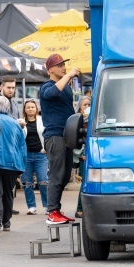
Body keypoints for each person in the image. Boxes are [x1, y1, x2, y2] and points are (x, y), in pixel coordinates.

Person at [40, 53, 81, 225]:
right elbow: (52, 93)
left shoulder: (66, 87)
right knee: (56, 175)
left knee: (64, 176)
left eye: (64, 65)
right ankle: (51, 212)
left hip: (66, 136)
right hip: (54, 135)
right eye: (59, 65)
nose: (63, 67)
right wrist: (69, 75)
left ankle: (56, 209)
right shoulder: (46, 86)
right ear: (50, 70)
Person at [0, 96, 27, 233]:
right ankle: (6, 222)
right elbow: (22, 146)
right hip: (12, 164)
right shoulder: (15, 123)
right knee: (8, 193)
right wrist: (22, 165)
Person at [21, 99, 48, 215]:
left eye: (32, 107)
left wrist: (46, 147)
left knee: (43, 181)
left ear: (36, 109)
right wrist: (20, 127)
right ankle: (31, 206)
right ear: (24, 110)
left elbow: (47, 135)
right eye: (28, 107)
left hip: (40, 154)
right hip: (26, 155)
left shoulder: (42, 121)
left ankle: (47, 206)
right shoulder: (20, 122)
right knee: (27, 182)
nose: (30, 109)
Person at [74, 96, 91, 219]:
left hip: (93, 153)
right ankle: (80, 208)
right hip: (83, 155)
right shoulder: (77, 120)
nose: (87, 107)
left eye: (89, 104)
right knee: (85, 182)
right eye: (85, 104)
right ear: (80, 107)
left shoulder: (96, 118)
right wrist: (81, 154)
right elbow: (74, 140)